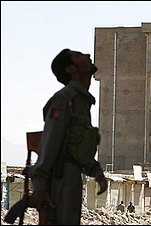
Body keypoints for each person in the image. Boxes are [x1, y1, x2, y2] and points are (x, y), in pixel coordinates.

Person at [28, 49, 107, 225]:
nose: (87, 55)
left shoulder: (81, 101)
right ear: (71, 69)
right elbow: (49, 143)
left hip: (72, 176)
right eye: (78, 56)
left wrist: (95, 170)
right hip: (61, 177)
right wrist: (40, 186)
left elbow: (76, 145)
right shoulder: (64, 99)